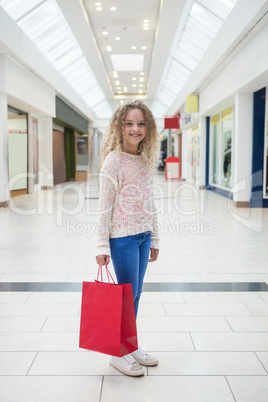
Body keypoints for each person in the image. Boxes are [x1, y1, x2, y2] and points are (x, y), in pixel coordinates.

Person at [96, 100, 160, 377]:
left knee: (135, 295)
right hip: (122, 238)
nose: (136, 129)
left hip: (143, 236)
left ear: (149, 128)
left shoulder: (145, 160)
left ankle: (130, 345)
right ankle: (117, 353)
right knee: (124, 297)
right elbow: (104, 206)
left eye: (141, 123)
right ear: (119, 127)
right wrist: (101, 244)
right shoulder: (113, 160)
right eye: (129, 123)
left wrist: (154, 237)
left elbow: (149, 201)